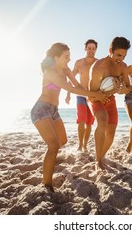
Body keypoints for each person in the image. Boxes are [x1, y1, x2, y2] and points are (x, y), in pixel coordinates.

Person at [30, 43, 106, 192]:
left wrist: (93, 95)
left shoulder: (65, 70)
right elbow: (69, 88)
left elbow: (77, 84)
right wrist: (94, 95)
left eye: (69, 56)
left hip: (53, 111)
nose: (69, 59)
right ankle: (47, 185)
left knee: (62, 141)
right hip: (41, 109)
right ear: (56, 57)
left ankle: (50, 159)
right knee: (53, 145)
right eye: (66, 57)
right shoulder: (49, 72)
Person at [88, 36, 131, 171]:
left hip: (110, 99)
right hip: (96, 97)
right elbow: (91, 92)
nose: (121, 59)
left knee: (111, 133)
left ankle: (101, 156)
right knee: (102, 121)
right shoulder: (98, 67)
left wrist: (124, 89)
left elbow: (128, 87)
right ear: (110, 50)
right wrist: (100, 96)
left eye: (124, 56)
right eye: (119, 55)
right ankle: (98, 161)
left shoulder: (123, 67)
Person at [65, 39, 98, 152]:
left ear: (95, 50)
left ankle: (85, 145)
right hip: (80, 95)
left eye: (93, 49)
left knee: (89, 124)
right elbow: (71, 78)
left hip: (93, 97)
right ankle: (80, 145)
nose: (91, 51)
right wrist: (68, 94)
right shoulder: (79, 63)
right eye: (89, 48)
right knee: (82, 121)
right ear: (85, 49)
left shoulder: (98, 63)